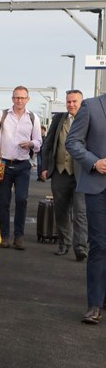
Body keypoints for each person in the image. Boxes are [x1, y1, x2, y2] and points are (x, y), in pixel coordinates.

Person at [0, 88, 42, 249]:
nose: (19, 101)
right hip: (4, 165)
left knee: (22, 199)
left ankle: (19, 236)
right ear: (12, 98)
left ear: (28, 99)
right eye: (16, 98)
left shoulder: (33, 118)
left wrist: (31, 144)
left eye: (22, 98)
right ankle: (5, 237)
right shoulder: (2, 115)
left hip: (23, 165)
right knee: (4, 202)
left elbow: (38, 141)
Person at [64, 93, 106, 324]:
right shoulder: (91, 106)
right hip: (98, 187)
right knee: (100, 244)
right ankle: (95, 305)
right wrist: (94, 162)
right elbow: (72, 142)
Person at [40, 90, 88, 260]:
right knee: (61, 211)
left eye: (75, 101)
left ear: (81, 103)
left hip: (81, 174)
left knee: (80, 211)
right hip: (60, 172)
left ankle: (81, 247)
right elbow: (47, 145)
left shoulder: (88, 120)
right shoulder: (59, 119)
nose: (71, 105)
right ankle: (64, 244)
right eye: (68, 102)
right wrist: (44, 168)